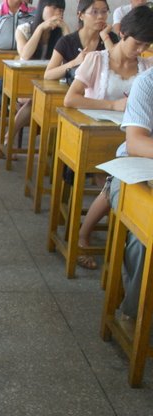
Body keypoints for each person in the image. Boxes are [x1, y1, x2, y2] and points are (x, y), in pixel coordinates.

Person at [63, 5, 153, 270]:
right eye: (137, 43)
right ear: (122, 33)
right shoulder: (97, 60)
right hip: (101, 132)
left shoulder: (146, 66)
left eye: (146, 45)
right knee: (112, 178)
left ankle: (123, 235)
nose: (140, 50)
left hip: (133, 137)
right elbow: (71, 99)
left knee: (117, 176)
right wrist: (112, 106)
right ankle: (84, 234)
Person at [108, 65, 153, 325]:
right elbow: (135, 142)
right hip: (135, 173)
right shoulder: (147, 82)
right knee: (143, 235)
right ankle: (136, 314)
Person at [5, 0, 69, 151]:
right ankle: (10, 135)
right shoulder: (23, 29)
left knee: (47, 98)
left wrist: (66, 29)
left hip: (49, 83)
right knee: (36, 99)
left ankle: (51, 148)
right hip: (26, 83)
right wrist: (40, 28)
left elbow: (70, 58)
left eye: (61, 10)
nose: (58, 13)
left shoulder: (60, 34)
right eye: (54, 8)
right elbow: (25, 54)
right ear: (42, 8)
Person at [44, 0, 119, 80]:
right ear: (80, 15)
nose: (100, 16)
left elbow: (118, 65)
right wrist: (75, 62)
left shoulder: (110, 37)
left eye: (104, 11)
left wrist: (104, 36)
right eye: (94, 12)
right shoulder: (66, 41)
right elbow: (48, 75)